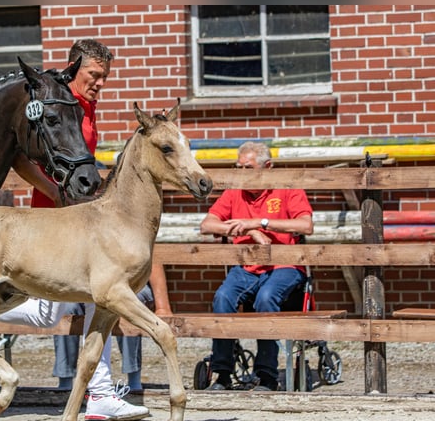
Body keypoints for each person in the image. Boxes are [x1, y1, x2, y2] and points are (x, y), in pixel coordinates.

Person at [8, 38, 149, 421]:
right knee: (44, 312)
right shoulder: (55, 102)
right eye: (94, 74)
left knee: (94, 301)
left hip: (81, 221)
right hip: (54, 223)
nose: (101, 82)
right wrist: (54, 193)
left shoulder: (87, 106)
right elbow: (20, 160)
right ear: (74, 67)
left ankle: (100, 393)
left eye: (105, 76)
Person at [199, 141, 314, 391]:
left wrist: (260, 222)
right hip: (247, 267)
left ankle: (266, 375)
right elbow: (207, 225)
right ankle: (222, 373)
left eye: (247, 168)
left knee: (266, 297)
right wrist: (250, 231)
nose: (241, 174)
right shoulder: (234, 192)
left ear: (268, 167)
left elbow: (306, 226)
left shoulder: (287, 188)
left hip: (285, 265)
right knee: (223, 297)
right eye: (238, 168)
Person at [53, 263, 172, 392]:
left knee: (129, 307)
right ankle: (65, 380)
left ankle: (133, 379)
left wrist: (163, 307)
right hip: (88, 283)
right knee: (67, 308)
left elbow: (154, 259)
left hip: (128, 281)